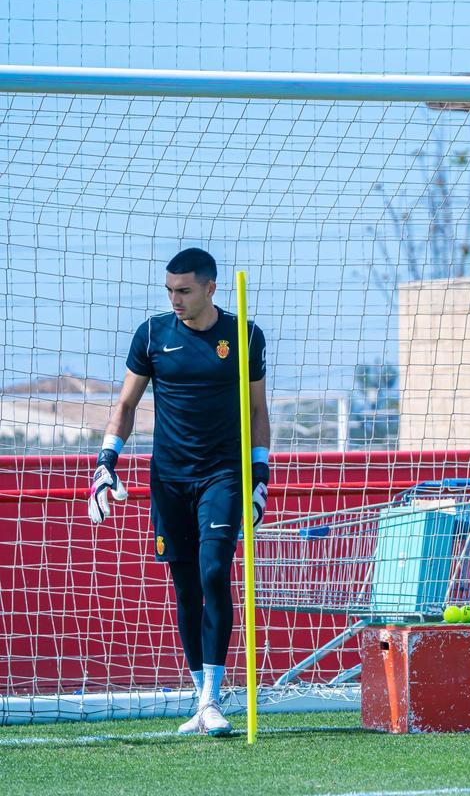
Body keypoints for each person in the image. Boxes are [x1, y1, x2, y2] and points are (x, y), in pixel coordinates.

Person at [88, 248, 270, 737]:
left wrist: (260, 476)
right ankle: (201, 697)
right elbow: (125, 405)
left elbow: (257, 411)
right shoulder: (151, 335)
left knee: (215, 571)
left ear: (211, 289)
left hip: (222, 476)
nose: (175, 300)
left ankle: (212, 697)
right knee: (186, 585)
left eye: (184, 291)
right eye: (169, 290)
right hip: (168, 478)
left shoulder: (244, 335)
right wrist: (106, 463)